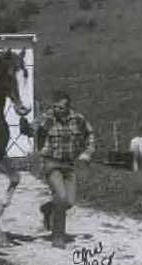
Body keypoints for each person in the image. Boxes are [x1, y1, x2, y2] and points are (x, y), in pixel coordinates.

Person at [20, 90, 95, 249]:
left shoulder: (78, 119)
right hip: (51, 163)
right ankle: (58, 236)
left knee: (69, 201)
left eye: (61, 108)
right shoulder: (46, 119)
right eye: (55, 107)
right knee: (60, 197)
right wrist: (24, 124)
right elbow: (30, 130)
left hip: (69, 165)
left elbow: (90, 135)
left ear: (68, 107)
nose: (57, 110)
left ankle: (48, 209)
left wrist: (87, 153)